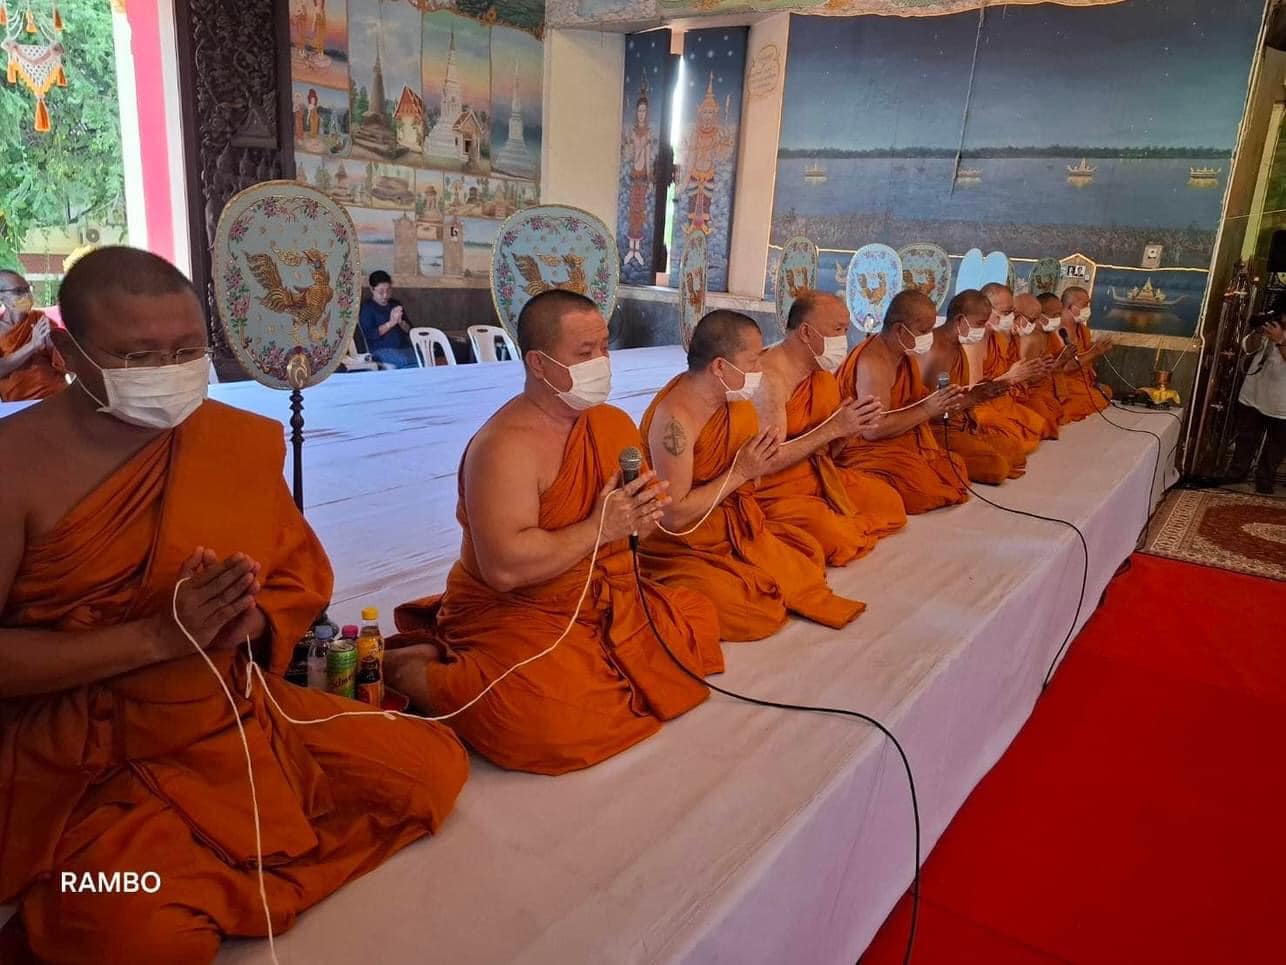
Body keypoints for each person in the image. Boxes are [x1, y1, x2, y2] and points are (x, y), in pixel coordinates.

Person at [0, 247, 468, 962]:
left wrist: (243, 617)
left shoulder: (229, 442)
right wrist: (159, 636)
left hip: (230, 711)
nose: (169, 372)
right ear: (66, 350)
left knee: (429, 769)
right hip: (83, 750)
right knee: (128, 925)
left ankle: (216, 869)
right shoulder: (16, 465)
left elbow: (293, 574)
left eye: (187, 351)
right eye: (140, 355)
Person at [384, 290, 723, 776]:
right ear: (539, 365)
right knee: (549, 723)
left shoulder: (611, 424)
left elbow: (632, 532)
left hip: (601, 597)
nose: (602, 362)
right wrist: (602, 527)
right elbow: (504, 569)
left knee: (697, 618)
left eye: (604, 347)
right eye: (584, 354)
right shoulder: (504, 447)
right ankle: (415, 672)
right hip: (519, 611)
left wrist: (639, 520)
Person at [640, 310, 864, 642]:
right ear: (719, 366)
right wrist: (742, 471)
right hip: (682, 542)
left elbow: (755, 470)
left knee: (808, 562)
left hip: (733, 523)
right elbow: (674, 517)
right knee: (755, 612)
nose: (759, 370)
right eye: (752, 362)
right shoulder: (675, 420)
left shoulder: (736, 404)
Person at [755, 292, 901, 566]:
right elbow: (766, 461)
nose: (843, 341)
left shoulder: (819, 371)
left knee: (889, 502)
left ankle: (830, 519)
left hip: (815, 474)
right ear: (807, 333)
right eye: (837, 330)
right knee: (839, 539)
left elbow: (827, 447)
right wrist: (833, 429)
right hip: (773, 490)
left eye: (846, 331)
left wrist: (849, 429)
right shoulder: (769, 378)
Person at [832, 291, 970, 513]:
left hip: (899, 441)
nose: (930, 337)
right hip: (864, 448)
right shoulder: (873, 362)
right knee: (923, 492)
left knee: (954, 468)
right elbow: (872, 431)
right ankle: (859, 482)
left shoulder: (903, 355)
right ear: (899, 330)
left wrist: (943, 401)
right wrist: (927, 409)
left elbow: (912, 401)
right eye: (924, 331)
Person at [921, 290, 1039, 484]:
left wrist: (985, 392)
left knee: (1015, 452)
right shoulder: (938, 350)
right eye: (979, 324)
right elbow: (935, 412)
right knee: (996, 468)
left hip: (963, 423)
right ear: (960, 319)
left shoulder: (956, 343)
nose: (983, 330)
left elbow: (964, 392)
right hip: (937, 431)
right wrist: (978, 396)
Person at [982, 283, 1059, 440]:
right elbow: (972, 390)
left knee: (1044, 425)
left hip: (1007, 396)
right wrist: (1012, 378)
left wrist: (1040, 369)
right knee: (1012, 444)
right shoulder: (977, 340)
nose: (1035, 323)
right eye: (1007, 312)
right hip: (986, 401)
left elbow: (1022, 375)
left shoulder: (1007, 336)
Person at [1228, 314, 1286, 494]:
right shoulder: (1272, 326)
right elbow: (1248, 348)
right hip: (1254, 393)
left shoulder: (1278, 334)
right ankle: (1237, 472)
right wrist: (1258, 332)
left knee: (1276, 444)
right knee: (1246, 437)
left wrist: (1280, 340)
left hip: (1282, 402)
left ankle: (1265, 478)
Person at [0, 269, 67, 401]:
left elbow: (66, 363)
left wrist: (52, 346)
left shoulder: (40, 319)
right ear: (1, 296)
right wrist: (32, 345)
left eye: (28, 289)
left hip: (55, 394)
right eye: (18, 291)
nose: (27, 295)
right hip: (18, 402)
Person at [1052, 286, 1114, 420]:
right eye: (1085, 304)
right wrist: (1094, 351)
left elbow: (1085, 360)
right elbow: (1066, 368)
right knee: (1095, 398)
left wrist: (1097, 349)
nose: (1088, 308)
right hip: (1061, 386)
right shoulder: (1057, 331)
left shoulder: (1083, 330)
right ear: (1072, 307)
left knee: (1106, 392)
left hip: (1082, 384)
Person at [1012, 292, 1068, 430]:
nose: (1058, 319)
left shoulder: (1047, 335)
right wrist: (1055, 365)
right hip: (1018, 393)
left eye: (1060, 315)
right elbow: (1025, 379)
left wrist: (1056, 364)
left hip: (1041, 388)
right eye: (1054, 315)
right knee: (1043, 421)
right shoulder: (1028, 338)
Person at [358, 270, 418, 369]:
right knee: (404, 361)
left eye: (389, 290)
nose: (385, 295)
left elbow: (410, 330)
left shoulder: (395, 304)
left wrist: (400, 322)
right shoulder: (367, 308)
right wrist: (391, 323)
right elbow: (369, 334)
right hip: (380, 349)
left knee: (423, 358)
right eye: (381, 292)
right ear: (372, 289)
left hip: (403, 347)